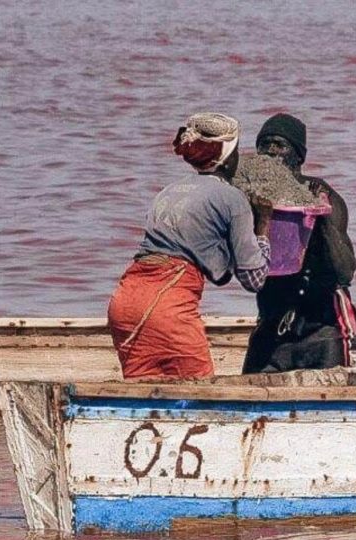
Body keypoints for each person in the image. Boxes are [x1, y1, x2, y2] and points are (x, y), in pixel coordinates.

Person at [108, 112, 272, 379]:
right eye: (237, 150)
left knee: (145, 392)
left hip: (125, 303)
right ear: (227, 154)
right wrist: (263, 225)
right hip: (167, 306)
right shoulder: (233, 199)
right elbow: (254, 279)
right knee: (201, 394)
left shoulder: (168, 191)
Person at [241, 113, 356, 373]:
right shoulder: (250, 197)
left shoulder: (320, 193)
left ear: (298, 157)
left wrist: (320, 217)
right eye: (265, 145)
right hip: (273, 324)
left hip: (322, 328)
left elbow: (345, 272)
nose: (272, 153)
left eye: (281, 146)